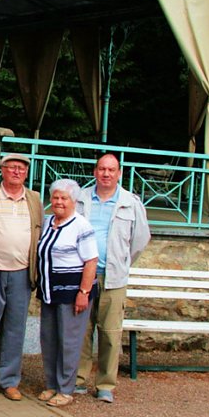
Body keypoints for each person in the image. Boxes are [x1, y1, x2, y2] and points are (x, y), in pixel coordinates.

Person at [75, 154, 150, 403]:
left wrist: (121, 262)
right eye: (102, 169)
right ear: (95, 172)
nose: (106, 174)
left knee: (109, 332)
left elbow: (140, 239)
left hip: (113, 277)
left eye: (111, 170)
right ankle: (78, 379)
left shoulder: (130, 202)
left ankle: (106, 384)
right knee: (81, 331)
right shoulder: (81, 199)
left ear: (119, 173)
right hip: (83, 274)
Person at [0, 154, 43, 401]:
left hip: (22, 272)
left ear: (26, 173)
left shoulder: (34, 199)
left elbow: (39, 233)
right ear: (2, 170)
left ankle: (10, 381)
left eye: (21, 169)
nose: (16, 172)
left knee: (15, 329)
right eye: (11, 167)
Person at [36, 179, 98, 408]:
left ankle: (66, 389)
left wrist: (84, 291)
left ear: (74, 201)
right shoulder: (48, 222)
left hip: (73, 293)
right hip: (50, 291)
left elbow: (91, 261)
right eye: (55, 197)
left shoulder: (81, 226)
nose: (59, 202)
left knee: (69, 342)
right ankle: (51, 384)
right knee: (49, 339)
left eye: (64, 198)